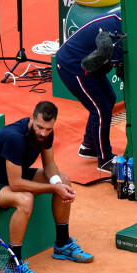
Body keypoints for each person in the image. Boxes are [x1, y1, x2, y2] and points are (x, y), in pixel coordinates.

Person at [0, 101, 93, 273]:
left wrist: (57, 184)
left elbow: (49, 165)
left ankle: (62, 244)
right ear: (31, 118)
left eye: (48, 129)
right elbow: (16, 185)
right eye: (40, 127)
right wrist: (53, 188)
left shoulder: (46, 133)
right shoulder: (15, 138)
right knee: (25, 200)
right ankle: (13, 265)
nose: (43, 133)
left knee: (63, 179)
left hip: (9, 175)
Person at [55, 10, 123, 173]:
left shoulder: (122, 19)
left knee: (110, 98)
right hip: (74, 67)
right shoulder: (117, 32)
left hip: (91, 67)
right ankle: (104, 160)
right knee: (101, 110)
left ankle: (89, 146)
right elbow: (124, 69)